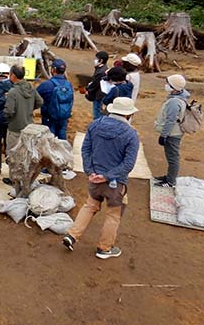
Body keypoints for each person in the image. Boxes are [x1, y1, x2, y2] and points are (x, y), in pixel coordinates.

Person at [62, 97, 139, 260]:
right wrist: (107, 176)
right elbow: (128, 164)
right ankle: (104, 248)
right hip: (115, 183)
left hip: (94, 179)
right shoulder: (131, 134)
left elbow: (86, 150)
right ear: (128, 115)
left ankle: (72, 235)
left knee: (90, 205)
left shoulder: (95, 125)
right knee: (113, 214)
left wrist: (90, 171)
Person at [154, 74, 190, 188]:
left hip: (172, 134)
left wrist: (164, 135)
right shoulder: (179, 98)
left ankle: (170, 182)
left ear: (174, 87)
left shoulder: (174, 102)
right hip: (174, 132)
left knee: (173, 157)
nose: (166, 86)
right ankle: (169, 177)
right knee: (171, 156)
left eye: (168, 84)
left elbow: (171, 120)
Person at [4, 65, 43, 153]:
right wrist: (29, 108)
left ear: (13, 75)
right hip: (28, 127)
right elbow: (40, 102)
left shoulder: (13, 92)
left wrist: (6, 117)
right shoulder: (31, 88)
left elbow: (9, 111)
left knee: (13, 156)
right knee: (25, 155)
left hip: (15, 128)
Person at [37, 58, 73, 140]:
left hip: (49, 118)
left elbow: (34, 96)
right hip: (64, 117)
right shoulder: (68, 85)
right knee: (62, 139)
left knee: (49, 140)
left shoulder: (46, 84)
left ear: (53, 70)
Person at [85, 51, 109, 120]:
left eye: (96, 58)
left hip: (98, 95)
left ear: (101, 60)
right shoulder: (103, 69)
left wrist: (88, 89)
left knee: (97, 111)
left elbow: (95, 84)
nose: (94, 60)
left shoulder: (101, 72)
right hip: (100, 93)